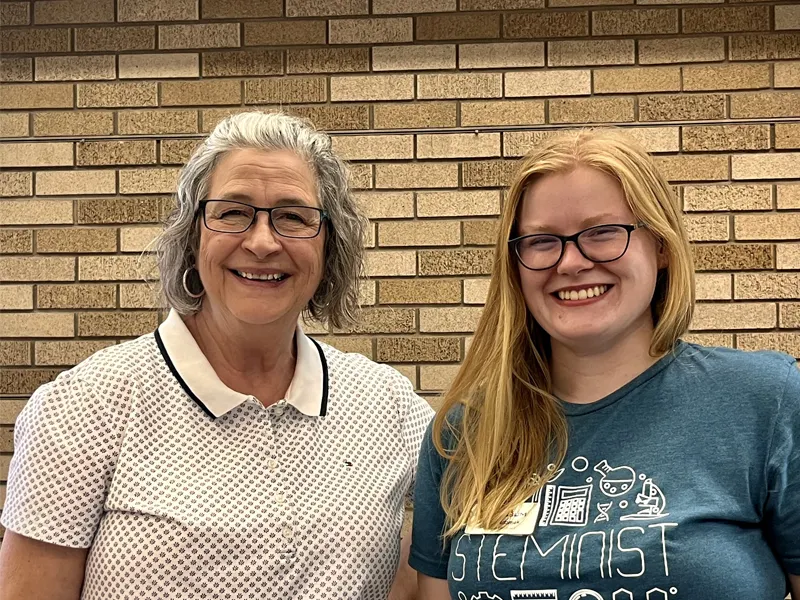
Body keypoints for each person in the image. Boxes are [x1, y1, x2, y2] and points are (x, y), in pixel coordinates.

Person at [0, 111, 434, 600]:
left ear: (330, 246)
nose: (264, 242)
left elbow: (488, 496)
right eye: (232, 212)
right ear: (192, 235)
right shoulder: (86, 408)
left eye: (293, 216)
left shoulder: (387, 404)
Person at [409, 129, 800, 600]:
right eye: (541, 241)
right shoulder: (462, 435)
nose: (571, 262)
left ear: (660, 245)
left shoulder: (765, 401)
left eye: (602, 233)